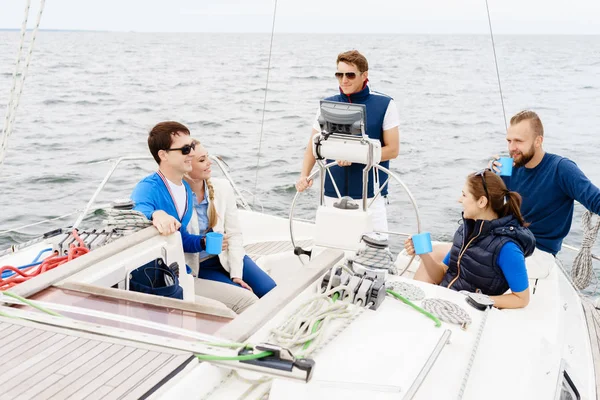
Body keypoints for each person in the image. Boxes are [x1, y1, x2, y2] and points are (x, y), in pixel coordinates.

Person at [131, 121, 258, 313]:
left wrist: (202, 242)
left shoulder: (183, 189)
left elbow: (181, 238)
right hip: (160, 281)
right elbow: (138, 209)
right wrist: (156, 214)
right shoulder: (148, 187)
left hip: (182, 274)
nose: (191, 153)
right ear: (163, 155)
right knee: (245, 304)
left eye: (190, 147)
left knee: (249, 298)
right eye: (184, 149)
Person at [295, 50, 400, 232]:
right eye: (339, 74)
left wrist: (356, 155)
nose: (344, 80)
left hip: (370, 197)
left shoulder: (385, 104)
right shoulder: (327, 105)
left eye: (350, 75)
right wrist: (304, 175)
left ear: (364, 75)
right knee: (333, 247)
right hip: (331, 193)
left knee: (375, 251)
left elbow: (393, 150)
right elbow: (312, 146)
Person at [405, 170, 535, 309]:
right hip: (442, 303)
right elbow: (442, 274)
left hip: (467, 313)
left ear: (481, 201)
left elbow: (521, 298)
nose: (459, 200)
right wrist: (424, 255)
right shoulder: (464, 231)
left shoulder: (507, 248)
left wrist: (478, 299)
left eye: (464, 195)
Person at [490, 110, 600, 256]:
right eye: (509, 141)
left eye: (519, 141)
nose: (511, 148)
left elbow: (596, 201)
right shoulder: (508, 168)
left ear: (538, 141)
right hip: (507, 242)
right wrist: (489, 177)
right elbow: (485, 206)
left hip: (538, 253)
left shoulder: (561, 169)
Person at [183, 138, 277, 299]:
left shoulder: (222, 188)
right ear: (186, 166)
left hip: (227, 256)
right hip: (201, 265)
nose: (209, 163)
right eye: (202, 160)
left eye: (208, 157)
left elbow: (234, 234)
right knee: (245, 297)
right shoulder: (177, 197)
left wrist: (236, 274)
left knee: (271, 290)